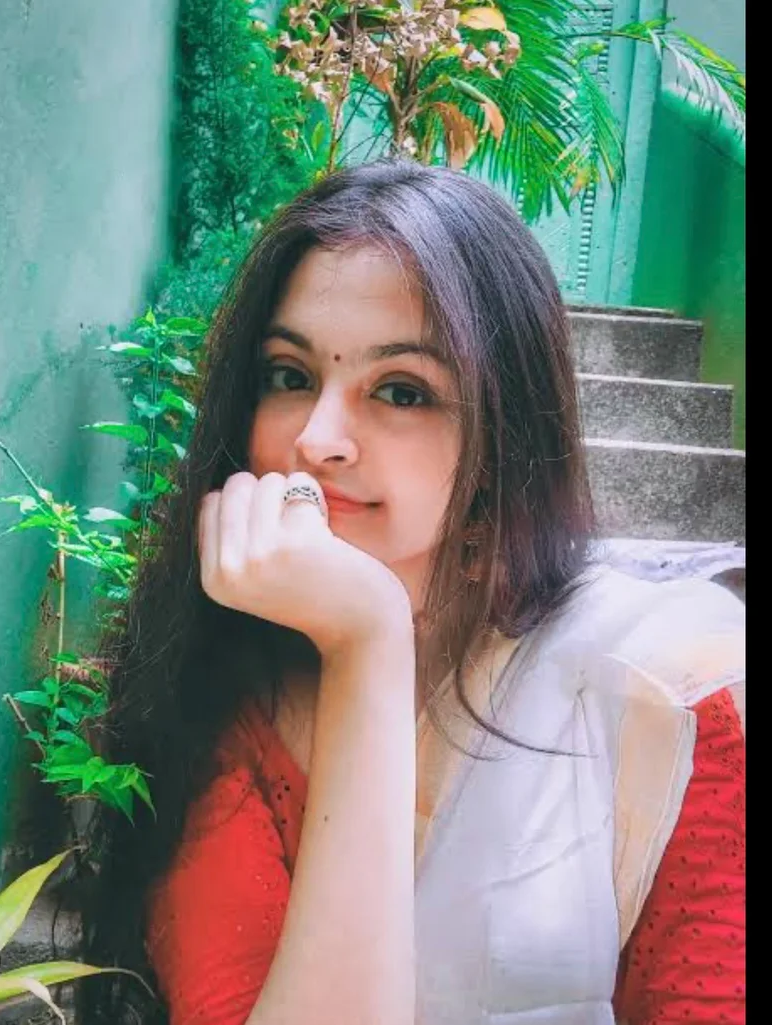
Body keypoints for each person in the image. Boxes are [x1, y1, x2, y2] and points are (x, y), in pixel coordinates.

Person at [79, 159, 745, 1025]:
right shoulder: (220, 703)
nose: (317, 439)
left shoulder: (664, 702)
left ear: (504, 434)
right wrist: (368, 642)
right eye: (289, 375)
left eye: (401, 391)